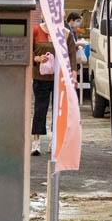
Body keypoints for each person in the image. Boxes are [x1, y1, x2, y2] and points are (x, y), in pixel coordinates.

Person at [31, 15, 77, 156]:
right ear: (42, 15)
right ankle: (36, 141)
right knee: (40, 108)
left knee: (58, 110)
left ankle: (55, 140)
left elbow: (72, 56)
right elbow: (28, 51)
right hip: (40, 77)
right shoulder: (36, 31)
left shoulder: (66, 33)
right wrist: (37, 58)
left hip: (60, 78)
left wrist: (74, 76)